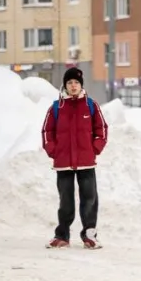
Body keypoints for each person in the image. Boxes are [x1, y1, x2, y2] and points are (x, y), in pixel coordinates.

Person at [42, 67, 109, 249]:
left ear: (81, 85)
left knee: (89, 199)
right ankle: (62, 235)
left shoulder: (90, 105)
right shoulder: (56, 107)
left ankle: (89, 235)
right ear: (65, 85)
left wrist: (95, 148)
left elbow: (101, 129)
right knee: (66, 201)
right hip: (63, 163)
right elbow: (47, 131)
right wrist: (53, 150)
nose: (73, 86)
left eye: (76, 83)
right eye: (70, 83)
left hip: (86, 162)